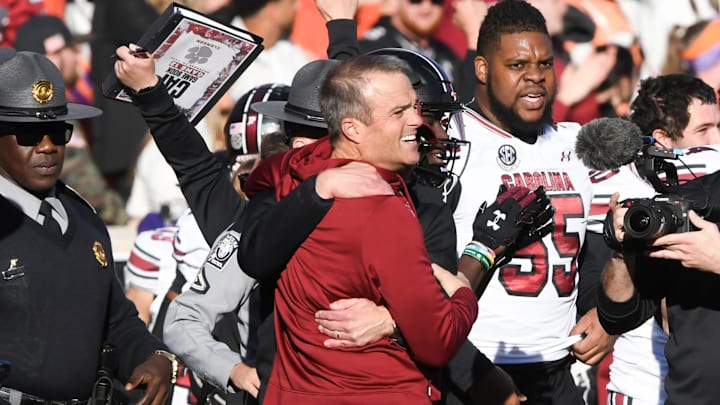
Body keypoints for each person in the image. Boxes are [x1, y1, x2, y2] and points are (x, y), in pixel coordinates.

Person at [239, 53, 477, 404]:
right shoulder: (382, 211)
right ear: (351, 128)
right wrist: (464, 295)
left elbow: (271, 177)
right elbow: (437, 340)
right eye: (399, 112)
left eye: (414, 107)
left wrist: (390, 319)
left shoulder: (294, 175)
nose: (418, 121)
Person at [449, 1, 608, 404]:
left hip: (557, 369)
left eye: (544, 63)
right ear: (483, 69)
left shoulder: (575, 142)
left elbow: (594, 247)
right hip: (471, 367)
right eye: (518, 65)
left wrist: (609, 316)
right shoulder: (452, 140)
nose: (535, 76)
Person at [0, 47, 173, 403]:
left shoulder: (84, 219)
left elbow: (115, 318)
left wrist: (153, 356)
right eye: (29, 134)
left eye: (57, 132)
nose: (48, 147)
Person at [597, 74, 720, 405]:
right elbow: (618, 316)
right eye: (705, 130)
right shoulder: (666, 208)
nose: (716, 140)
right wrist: (623, 252)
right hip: (682, 393)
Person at [13, 14, 129, 225]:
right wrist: (125, 217)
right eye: (70, 49)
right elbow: (88, 191)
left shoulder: (18, 105)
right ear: (52, 56)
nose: (77, 57)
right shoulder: (48, 113)